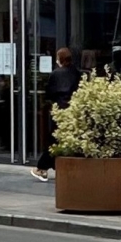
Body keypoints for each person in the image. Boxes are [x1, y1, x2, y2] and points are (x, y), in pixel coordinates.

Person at [32, 47, 81, 179]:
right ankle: (57, 165)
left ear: (59, 59)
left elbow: (50, 93)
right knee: (68, 138)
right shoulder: (76, 72)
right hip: (73, 109)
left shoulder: (56, 74)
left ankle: (42, 167)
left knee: (54, 139)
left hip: (60, 109)